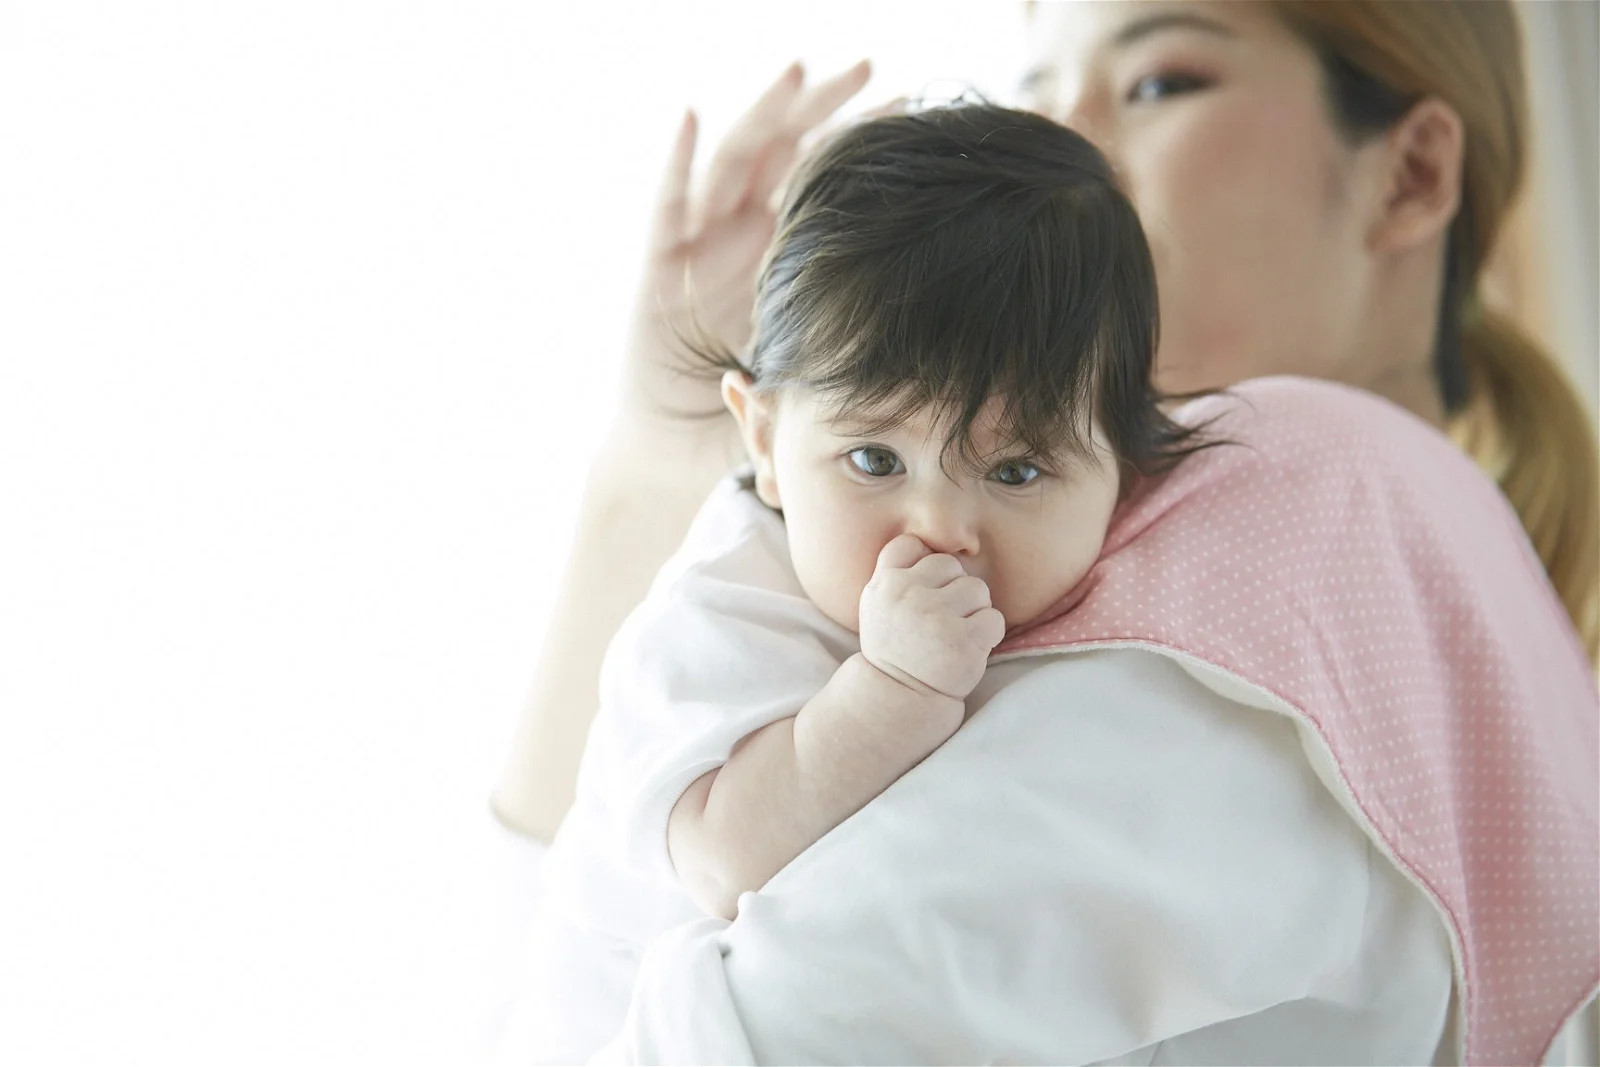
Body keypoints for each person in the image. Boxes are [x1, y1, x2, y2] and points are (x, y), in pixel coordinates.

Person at [495, 2, 1599, 1062]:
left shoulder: (1305, 492)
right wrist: (658, 457)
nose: (1061, 137)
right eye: (1036, 86)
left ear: (1410, 172)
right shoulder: (1441, 558)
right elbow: (581, 927)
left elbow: (758, 1027)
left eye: (1158, 81)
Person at [524, 100, 1226, 1059]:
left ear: (1127, 474)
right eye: (874, 461)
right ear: (765, 440)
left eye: (1017, 471)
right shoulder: (720, 612)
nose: (940, 528)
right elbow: (726, 858)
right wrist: (891, 689)